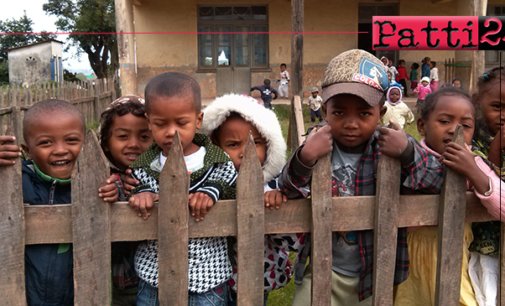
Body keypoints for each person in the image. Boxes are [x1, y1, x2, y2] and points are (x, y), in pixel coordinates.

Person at [279, 49, 445, 306]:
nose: (351, 123)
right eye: (339, 112)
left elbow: (440, 180)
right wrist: (304, 158)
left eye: (364, 113)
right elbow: (287, 189)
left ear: (380, 112)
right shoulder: (316, 143)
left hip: (376, 271)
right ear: (324, 110)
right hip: (325, 268)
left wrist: (409, 153)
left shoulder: (393, 145)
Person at [127, 72, 238, 306]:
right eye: (160, 124)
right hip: (155, 274)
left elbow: (233, 185)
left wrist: (211, 191)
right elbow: (130, 187)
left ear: (198, 120)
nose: (171, 132)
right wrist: (141, 193)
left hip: (207, 272)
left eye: (181, 123)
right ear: (149, 122)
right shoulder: (144, 165)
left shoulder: (217, 160)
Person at [0, 99, 119, 305]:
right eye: (46, 142)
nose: (60, 150)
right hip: (24, 296)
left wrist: (116, 196)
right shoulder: (16, 181)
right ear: (26, 150)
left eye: (71, 140)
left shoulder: (97, 183)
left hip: (80, 297)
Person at [393, 87, 505, 306]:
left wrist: (473, 171)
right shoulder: (405, 157)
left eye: (465, 125)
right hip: (408, 260)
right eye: (444, 121)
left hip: (456, 259)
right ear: (422, 126)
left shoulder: (475, 163)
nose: (455, 130)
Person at [200, 93, 304, 306]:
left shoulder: (276, 184)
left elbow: (291, 240)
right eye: (232, 144)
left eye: (255, 142)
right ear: (216, 147)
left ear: (269, 144)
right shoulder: (208, 184)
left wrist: (277, 205)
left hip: (258, 274)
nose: (244, 152)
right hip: (214, 277)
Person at [98, 95, 154, 305]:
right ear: (105, 143)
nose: (134, 144)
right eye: (122, 136)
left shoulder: (166, 176)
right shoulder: (101, 179)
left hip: (154, 281)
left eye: (144, 137)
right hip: (112, 283)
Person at [467, 67, 505, 306]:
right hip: (485, 248)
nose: (504, 115)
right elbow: (487, 185)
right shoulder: (473, 141)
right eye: (498, 107)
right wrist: (495, 151)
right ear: (478, 102)